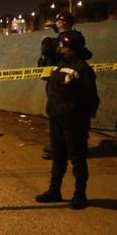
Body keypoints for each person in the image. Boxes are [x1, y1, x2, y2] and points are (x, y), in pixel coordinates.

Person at [35, 31, 99, 210]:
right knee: (58, 157)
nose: (61, 49)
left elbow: (90, 98)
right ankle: (54, 191)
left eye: (65, 47)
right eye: (61, 46)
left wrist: (80, 116)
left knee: (77, 159)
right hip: (56, 119)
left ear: (75, 48)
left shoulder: (82, 69)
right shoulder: (60, 65)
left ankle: (80, 195)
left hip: (74, 122)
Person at [39, 11, 91, 160]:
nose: (56, 24)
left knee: (63, 115)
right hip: (59, 80)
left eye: (58, 21)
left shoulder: (70, 38)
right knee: (58, 114)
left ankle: (62, 149)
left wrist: (46, 42)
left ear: (62, 23)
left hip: (64, 82)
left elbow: (49, 51)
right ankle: (60, 147)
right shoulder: (66, 38)